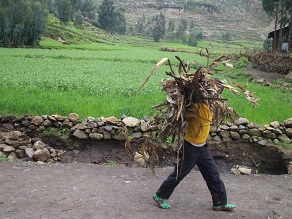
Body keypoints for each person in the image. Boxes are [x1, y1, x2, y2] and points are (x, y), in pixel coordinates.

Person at [153, 101, 236, 211]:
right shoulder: (194, 106)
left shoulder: (212, 105)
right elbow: (181, 110)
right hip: (191, 147)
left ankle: (220, 202)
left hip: (203, 147)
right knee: (179, 173)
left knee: (213, 174)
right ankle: (160, 196)